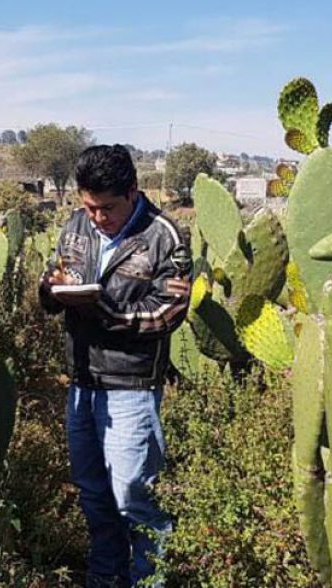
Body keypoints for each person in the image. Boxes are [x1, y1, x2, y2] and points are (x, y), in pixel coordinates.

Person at [39, 144, 192, 588]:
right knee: (93, 495)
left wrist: (104, 312)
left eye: (106, 208)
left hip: (131, 385)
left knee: (134, 498)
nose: (97, 218)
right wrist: (51, 289)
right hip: (82, 380)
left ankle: (149, 580)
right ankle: (105, 579)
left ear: (132, 192)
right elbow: (55, 275)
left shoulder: (166, 237)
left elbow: (168, 313)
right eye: (89, 208)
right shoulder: (76, 226)